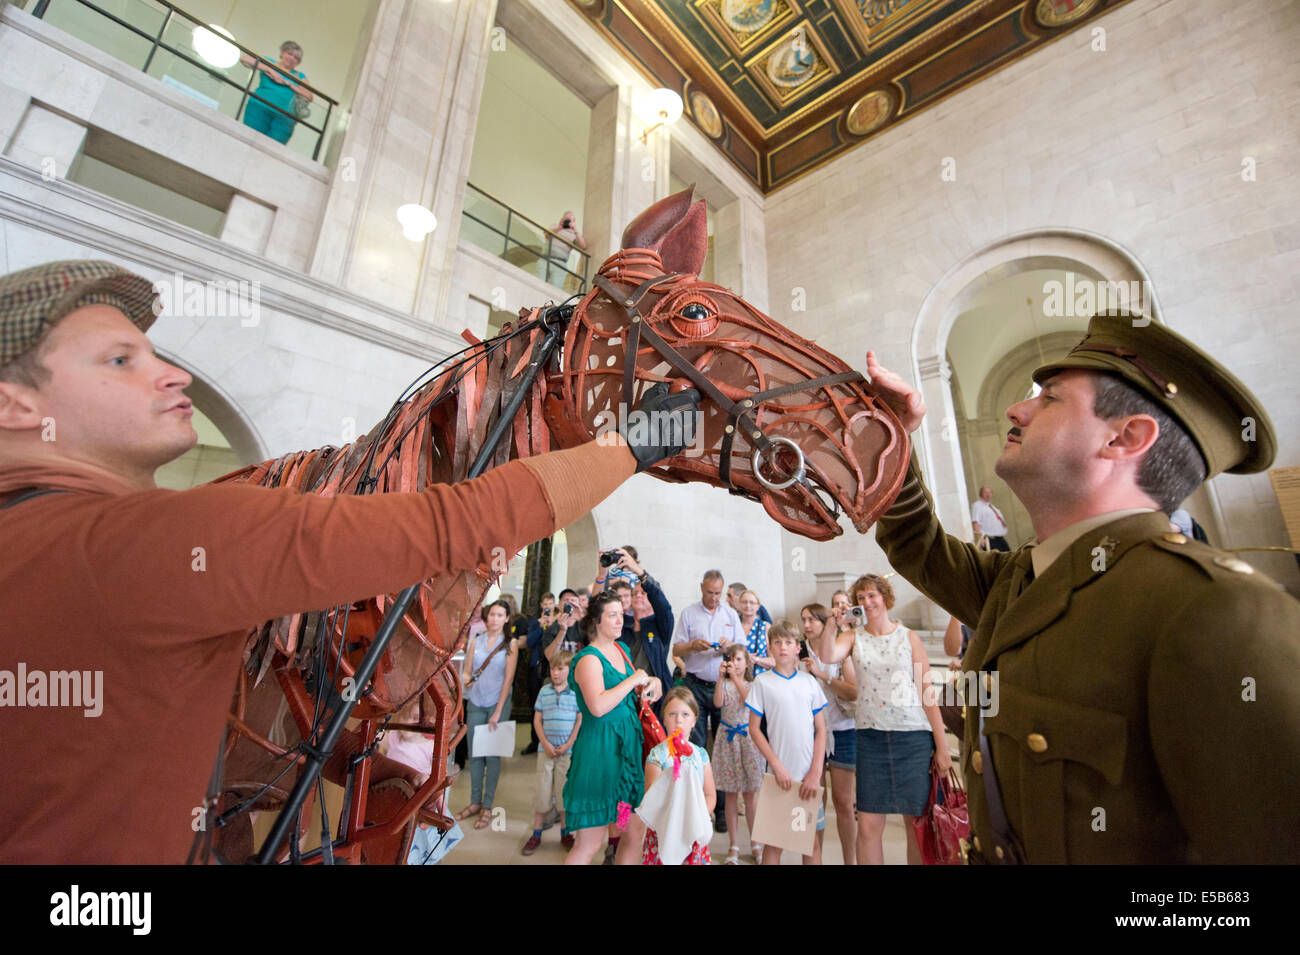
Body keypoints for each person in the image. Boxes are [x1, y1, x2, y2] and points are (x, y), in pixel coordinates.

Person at [0, 259, 698, 863]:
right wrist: (634, 445)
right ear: (15, 403)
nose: (171, 371)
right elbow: (454, 521)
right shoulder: (152, 538)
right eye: (120, 360)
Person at [863, 310, 1300, 864]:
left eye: (1049, 398)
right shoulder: (1021, 579)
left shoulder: (1220, 612)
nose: (1015, 408)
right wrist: (891, 435)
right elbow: (915, 541)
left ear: (1124, 437)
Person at [817, 574, 951, 865]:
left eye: (872, 595)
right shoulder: (852, 636)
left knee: (916, 823)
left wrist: (941, 747)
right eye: (861, 598)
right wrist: (831, 623)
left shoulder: (908, 637)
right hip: (870, 737)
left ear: (885, 598)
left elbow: (927, 691)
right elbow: (827, 656)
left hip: (912, 736)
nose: (867, 602)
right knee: (867, 824)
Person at [562, 592, 663, 865]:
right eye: (613, 615)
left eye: (622, 614)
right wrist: (632, 682)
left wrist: (651, 683)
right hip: (599, 756)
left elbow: (631, 688)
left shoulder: (622, 650)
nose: (621, 620)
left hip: (626, 757)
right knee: (590, 843)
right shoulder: (588, 659)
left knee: (631, 831)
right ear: (596, 621)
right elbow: (597, 706)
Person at [746, 620, 828, 865]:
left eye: (788, 642)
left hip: (807, 778)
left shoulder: (809, 683)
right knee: (775, 844)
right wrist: (776, 765)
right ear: (770, 647)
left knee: (810, 844)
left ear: (797, 649)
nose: (783, 647)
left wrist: (815, 772)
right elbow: (754, 729)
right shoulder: (762, 683)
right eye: (777, 642)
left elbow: (821, 729)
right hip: (779, 777)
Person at [799, 603, 858, 865]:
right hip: (810, 734)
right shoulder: (798, 651)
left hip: (842, 729)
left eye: (812, 619)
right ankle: (816, 858)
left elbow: (853, 692)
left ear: (826, 623)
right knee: (814, 800)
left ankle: (850, 860)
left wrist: (822, 676)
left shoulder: (840, 652)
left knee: (843, 802)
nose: (807, 625)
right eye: (804, 620)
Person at [637, 687, 716, 865]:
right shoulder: (657, 756)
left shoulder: (700, 755)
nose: (678, 720)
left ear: (694, 720)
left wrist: (698, 813)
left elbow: (710, 794)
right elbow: (651, 797)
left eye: (685, 714)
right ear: (664, 719)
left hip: (693, 825)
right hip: (664, 828)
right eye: (672, 714)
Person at [457, 600, 518, 830]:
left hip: (497, 704)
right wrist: (466, 681)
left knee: (492, 756)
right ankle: (474, 801)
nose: (494, 618)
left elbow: (508, 679)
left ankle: (488, 806)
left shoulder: (509, 644)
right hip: (476, 701)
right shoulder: (476, 640)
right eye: (492, 614)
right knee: (475, 754)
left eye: (499, 615)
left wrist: (499, 711)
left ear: (506, 618)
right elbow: (466, 670)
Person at [672, 569, 743, 749]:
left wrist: (730, 647)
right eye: (709, 592)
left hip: (724, 685)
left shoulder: (731, 615)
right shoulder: (689, 613)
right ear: (702, 588)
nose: (714, 598)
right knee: (696, 741)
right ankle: (699, 775)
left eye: (718, 593)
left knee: (725, 742)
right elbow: (676, 648)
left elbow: (743, 649)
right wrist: (692, 646)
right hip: (695, 684)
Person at [523, 651, 581, 855]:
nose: (555, 673)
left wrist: (569, 744)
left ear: (569, 670)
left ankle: (565, 833)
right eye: (553, 669)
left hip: (566, 752)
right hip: (545, 751)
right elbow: (537, 720)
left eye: (560, 669)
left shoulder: (575, 693)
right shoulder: (544, 691)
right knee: (542, 791)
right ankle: (536, 833)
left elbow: (579, 720)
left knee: (564, 792)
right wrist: (545, 743)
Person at [711, 644, 763, 863]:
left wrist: (737, 679)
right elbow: (717, 703)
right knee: (731, 794)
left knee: (751, 795)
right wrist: (721, 678)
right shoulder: (724, 683)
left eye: (740, 659)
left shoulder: (752, 684)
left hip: (747, 740)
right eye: (732, 659)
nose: (735, 663)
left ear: (747, 663)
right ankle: (734, 845)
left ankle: (756, 843)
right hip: (727, 739)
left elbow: (749, 702)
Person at [239, 41, 312, 145]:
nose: (292, 58)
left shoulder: (299, 76)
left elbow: (309, 96)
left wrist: (288, 84)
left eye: (296, 58)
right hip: (259, 107)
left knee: (273, 147)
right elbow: (244, 58)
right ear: (282, 53)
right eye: (289, 54)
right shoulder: (270, 62)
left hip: (284, 118)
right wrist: (270, 70)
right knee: (249, 140)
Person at [521, 591, 557, 756]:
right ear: (542, 605)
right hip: (536, 667)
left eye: (551, 603)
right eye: (545, 603)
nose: (548, 606)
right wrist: (542, 625)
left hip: (553, 667)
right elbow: (529, 641)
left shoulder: (558, 622)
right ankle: (535, 740)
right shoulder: (535, 622)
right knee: (536, 705)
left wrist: (552, 625)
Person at [736, 589, 775, 674]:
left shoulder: (766, 627)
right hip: (737, 679)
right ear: (739, 605)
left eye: (752, 602)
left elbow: (774, 661)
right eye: (744, 602)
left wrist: (755, 659)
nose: (748, 605)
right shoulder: (734, 626)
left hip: (760, 679)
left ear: (758, 606)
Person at [970, 485, 1011, 551]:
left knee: (1008, 555)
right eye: (985, 492)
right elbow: (975, 522)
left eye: (990, 492)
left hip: (998, 538)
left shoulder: (991, 506)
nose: (988, 494)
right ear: (981, 494)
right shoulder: (977, 505)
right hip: (989, 539)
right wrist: (980, 538)